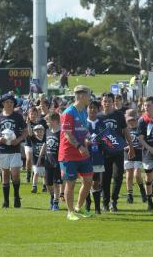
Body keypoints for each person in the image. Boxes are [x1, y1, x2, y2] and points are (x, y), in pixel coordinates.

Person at [59, 85, 94, 220]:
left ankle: (79, 207)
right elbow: (67, 134)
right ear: (81, 96)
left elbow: (84, 131)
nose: (90, 98)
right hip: (68, 153)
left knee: (88, 180)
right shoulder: (68, 112)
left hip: (82, 152)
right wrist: (80, 146)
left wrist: (88, 138)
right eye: (89, 95)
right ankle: (70, 211)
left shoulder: (84, 111)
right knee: (71, 183)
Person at [98, 92, 134, 212]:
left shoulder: (119, 115)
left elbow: (126, 131)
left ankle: (114, 201)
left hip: (118, 151)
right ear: (101, 103)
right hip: (104, 153)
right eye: (105, 101)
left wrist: (131, 146)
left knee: (118, 177)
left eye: (109, 101)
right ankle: (105, 203)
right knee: (105, 179)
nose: (107, 103)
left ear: (113, 102)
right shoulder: (98, 117)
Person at [0, 93, 28, 208]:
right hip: (2, 149)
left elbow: (26, 131)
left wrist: (19, 140)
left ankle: (16, 196)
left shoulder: (18, 116)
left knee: (15, 173)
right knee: (5, 174)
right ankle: (6, 201)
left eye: (11, 102)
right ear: (3, 104)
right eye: (7, 102)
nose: (9, 104)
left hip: (15, 148)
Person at [86, 100, 106, 214]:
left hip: (98, 157)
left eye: (94, 108)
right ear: (87, 109)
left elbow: (106, 139)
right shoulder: (83, 123)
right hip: (85, 157)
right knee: (86, 182)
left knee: (96, 182)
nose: (92, 110)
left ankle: (97, 207)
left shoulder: (101, 124)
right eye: (90, 107)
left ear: (98, 110)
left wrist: (100, 141)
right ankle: (88, 205)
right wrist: (86, 142)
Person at [124, 109, 146, 204]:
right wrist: (127, 147)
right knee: (129, 175)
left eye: (133, 120)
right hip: (127, 153)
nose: (131, 122)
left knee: (137, 174)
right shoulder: (124, 129)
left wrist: (142, 146)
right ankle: (130, 195)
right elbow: (120, 143)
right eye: (129, 120)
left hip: (138, 153)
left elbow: (144, 141)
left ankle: (142, 190)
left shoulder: (140, 128)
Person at [43, 112, 62, 211]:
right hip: (48, 162)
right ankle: (52, 196)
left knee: (56, 183)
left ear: (54, 121)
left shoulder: (61, 133)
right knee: (48, 183)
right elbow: (46, 145)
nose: (47, 123)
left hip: (57, 163)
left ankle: (55, 202)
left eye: (48, 121)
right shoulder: (47, 131)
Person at [30, 125, 46, 194]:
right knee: (36, 173)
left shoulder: (46, 139)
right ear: (34, 132)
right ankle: (34, 186)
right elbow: (29, 132)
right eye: (37, 131)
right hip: (35, 159)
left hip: (45, 159)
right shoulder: (33, 139)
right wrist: (28, 123)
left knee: (45, 174)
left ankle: (44, 185)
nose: (39, 132)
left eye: (41, 131)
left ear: (43, 132)